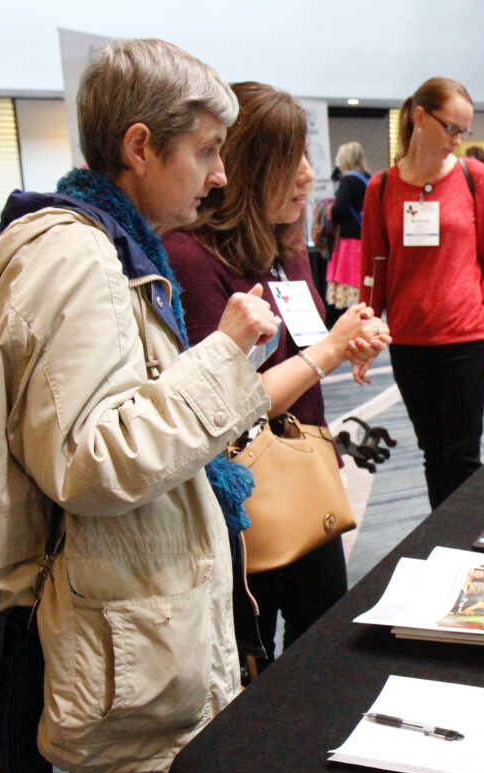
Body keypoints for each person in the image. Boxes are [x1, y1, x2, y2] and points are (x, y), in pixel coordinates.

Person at [0, 39, 286, 773]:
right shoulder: (82, 259)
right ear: (140, 146)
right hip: (117, 631)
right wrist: (224, 357)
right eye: (207, 151)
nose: (218, 175)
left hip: (125, 621)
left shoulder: (94, 244)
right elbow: (91, 459)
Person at [163, 83, 388, 671]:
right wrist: (331, 352)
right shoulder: (190, 258)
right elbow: (229, 404)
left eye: (307, 157)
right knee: (250, 668)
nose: (309, 175)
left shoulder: (286, 246)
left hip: (308, 471)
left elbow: (306, 343)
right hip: (242, 498)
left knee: (323, 654)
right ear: (247, 166)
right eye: (291, 161)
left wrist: (351, 339)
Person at [359, 76, 484, 510]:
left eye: (465, 131)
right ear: (419, 118)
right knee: (432, 453)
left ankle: (463, 547)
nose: (459, 140)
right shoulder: (381, 188)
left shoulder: (473, 177)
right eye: (452, 128)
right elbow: (374, 269)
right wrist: (366, 331)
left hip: (466, 337)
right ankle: (441, 542)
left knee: (462, 457)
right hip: (409, 340)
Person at [326, 141, 373, 321]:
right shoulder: (368, 180)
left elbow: (340, 210)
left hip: (349, 243)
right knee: (360, 287)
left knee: (347, 291)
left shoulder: (347, 180)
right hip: (365, 241)